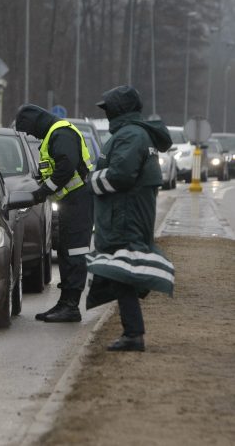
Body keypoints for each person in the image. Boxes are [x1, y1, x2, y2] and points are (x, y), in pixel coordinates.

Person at [86, 85, 175, 351]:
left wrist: (92, 179)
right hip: (127, 213)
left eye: (109, 108)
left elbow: (120, 176)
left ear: (120, 109)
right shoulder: (133, 134)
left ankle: (133, 334)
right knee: (122, 270)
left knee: (122, 271)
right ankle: (133, 329)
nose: (107, 113)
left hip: (124, 215)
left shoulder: (131, 136)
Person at [16, 104, 94, 322]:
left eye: (30, 130)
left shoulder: (61, 133)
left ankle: (71, 306)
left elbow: (66, 167)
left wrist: (43, 191)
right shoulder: (54, 134)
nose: (31, 134)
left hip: (79, 202)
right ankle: (65, 303)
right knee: (66, 254)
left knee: (75, 255)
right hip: (71, 203)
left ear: (35, 123)